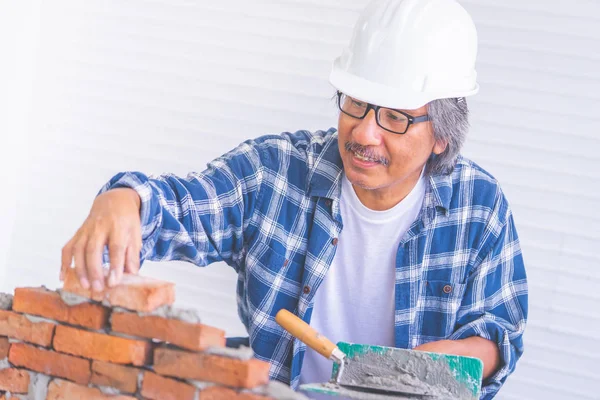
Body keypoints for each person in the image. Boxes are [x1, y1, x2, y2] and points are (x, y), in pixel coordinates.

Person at [60, 0, 528, 398]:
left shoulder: (479, 207)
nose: (364, 132)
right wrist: (126, 200)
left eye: (395, 118)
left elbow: (496, 333)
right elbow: (184, 206)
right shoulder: (276, 171)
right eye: (356, 103)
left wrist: (418, 373)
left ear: (443, 136)